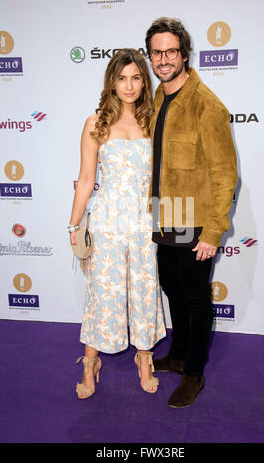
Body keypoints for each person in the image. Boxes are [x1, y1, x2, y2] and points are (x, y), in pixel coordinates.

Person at [145, 18, 238, 408]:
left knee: (196, 297)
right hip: (163, 212)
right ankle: (179, 353)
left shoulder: (207, 104)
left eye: (170, 52)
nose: (163, 60)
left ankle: (194, 372)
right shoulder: (157, 97)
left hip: (194, 217)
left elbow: (225, 173)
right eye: (156, 52)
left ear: (184, 54)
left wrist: (213, 232)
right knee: (173, 290)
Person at [68, 48, 166, 399]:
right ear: (112, 81)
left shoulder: (153, 120)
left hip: (144, 223)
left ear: (144, 81)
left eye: (136, 77)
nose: (129, 85)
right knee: (103, 294)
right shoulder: (96, 123)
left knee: (143, 291)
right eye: (122, 78)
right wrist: (73, 224)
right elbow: (85, 179)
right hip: (108, 221)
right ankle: (89, 362)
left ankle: (145, 358)